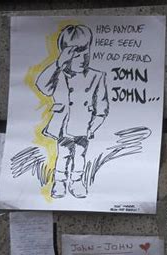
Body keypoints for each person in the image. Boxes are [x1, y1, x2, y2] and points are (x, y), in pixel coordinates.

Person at [36, 24, 109, 199]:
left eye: (86, 51)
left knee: (81, 156)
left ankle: (76, 182)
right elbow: (42, 87)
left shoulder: (96, 76)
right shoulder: (58, 74)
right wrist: (58, 64)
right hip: (64, 125)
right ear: (65, 54)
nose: (82, 57)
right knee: (63, 155)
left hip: (84, 125)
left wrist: (93, 127)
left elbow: (102, 107)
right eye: (76, 52)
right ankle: (59, 182)